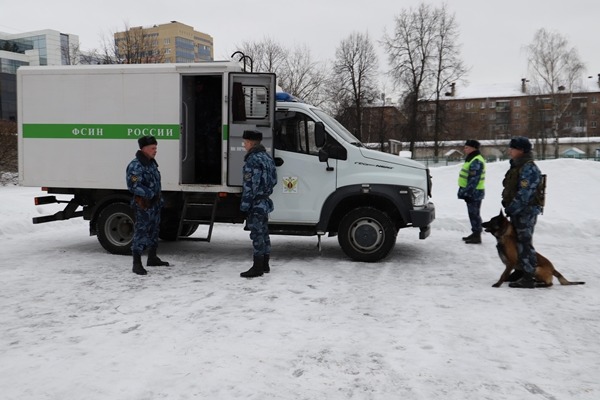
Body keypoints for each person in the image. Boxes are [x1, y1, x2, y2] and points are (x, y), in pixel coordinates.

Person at [502, 136, 543, 289]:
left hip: (526, 212)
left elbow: (525, 194)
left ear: (521, 150)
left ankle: (528, 276)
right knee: (517, 241)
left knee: (525, 243)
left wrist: (512, 207)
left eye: (512, 148)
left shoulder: (529, 168)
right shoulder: (517, 166)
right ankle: (520, 270)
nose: (510, 151)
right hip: (518, 211)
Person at [126, 135, 170, 275]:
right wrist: (150, 194)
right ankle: (136, 263)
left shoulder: (151, 163)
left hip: (155, 204)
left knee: (154, 231)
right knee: (141, 232)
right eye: (152, 148)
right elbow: (134, 185)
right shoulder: (136, 165)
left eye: (156, 148)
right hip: (144, 205)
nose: (155, 150)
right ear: (144, 149)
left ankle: (152, 257)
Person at [239, 130, 277, 278]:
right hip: (265, 200)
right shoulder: (267, 158)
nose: (244, 145)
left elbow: (250, 185)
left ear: (250, 143)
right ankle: (265, 264)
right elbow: (274, 180)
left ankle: (257, 267)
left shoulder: (253, 159)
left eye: (245, 142)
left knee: (257, 234)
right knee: (264, 233)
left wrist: (245, 205)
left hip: (256, 203)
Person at [457, 139, 486, 244]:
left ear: (473, 148)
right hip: (473, 191)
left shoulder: (476, 160)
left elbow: (474, 179)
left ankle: (477, 235)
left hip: (474, 192)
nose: (465, 149)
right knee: (473, 214)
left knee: (474, 214)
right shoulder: (472, 159)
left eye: (467, 147)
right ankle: (475, 233)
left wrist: (467, 192)